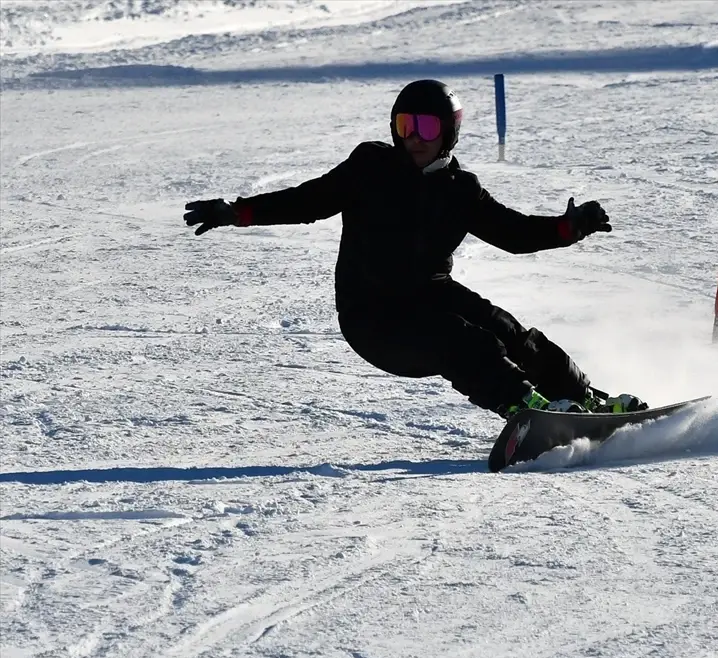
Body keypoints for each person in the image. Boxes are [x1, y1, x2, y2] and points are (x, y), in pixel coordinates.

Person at [184, 79, 646, 419]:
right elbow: (308, 201)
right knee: (464, 340)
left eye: (426, 126)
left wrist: (568, 228)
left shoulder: (461, 189)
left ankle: (586, 400)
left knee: (508, 331)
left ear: (448, 132)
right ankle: (529, 408)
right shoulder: (371, 166)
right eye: (405, 125)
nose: (414, 137)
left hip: (431, 295)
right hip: (375, 320)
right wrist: (237, 212)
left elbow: (514, 234)